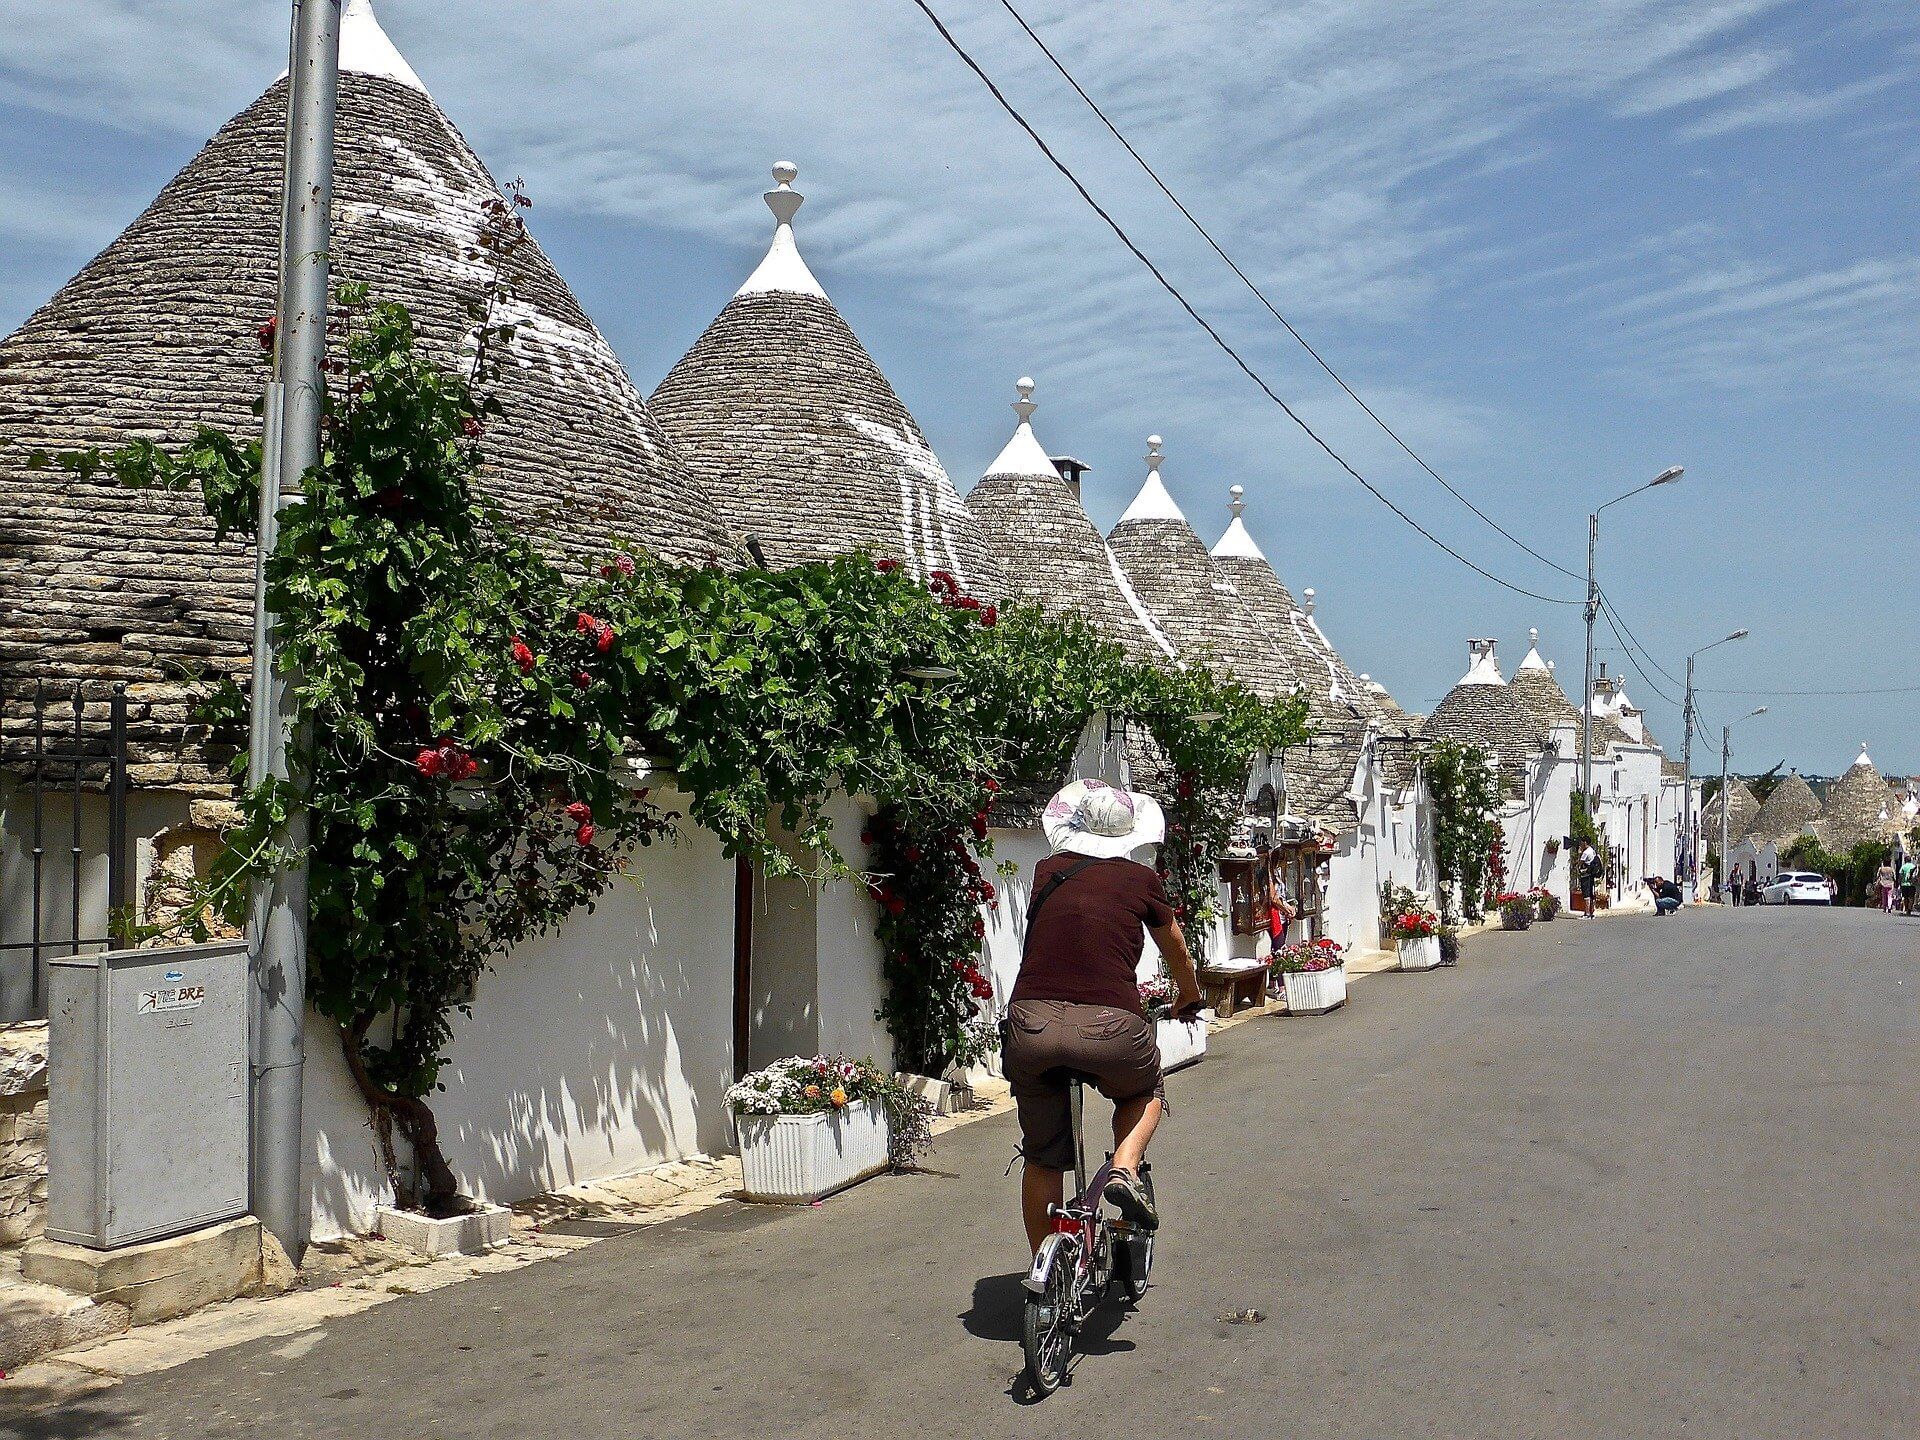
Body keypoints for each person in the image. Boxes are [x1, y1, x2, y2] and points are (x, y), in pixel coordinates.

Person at [1003, 780, 1202, 1254]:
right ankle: (1124, 1168)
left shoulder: (1046, 871)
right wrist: (1189, 993)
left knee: (1042, 1159)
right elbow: (1172, 943)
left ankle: (1046, 1272)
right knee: (1144, 1089)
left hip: (1031, 1025)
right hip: (1110, 1027)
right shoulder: (1139, 879)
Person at [1577, 843, 1601, 916]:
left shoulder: (1585, 852)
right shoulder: (1592, 850)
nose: (1580, 845)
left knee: (1586, 893)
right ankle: (1591, 911)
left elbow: (1579, 863)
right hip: (1591, 875)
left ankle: (1587, 913)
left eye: (1581, 843)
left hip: (1585, 875)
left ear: (1585, 842)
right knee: (1590, 892)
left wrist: (1579, 853)